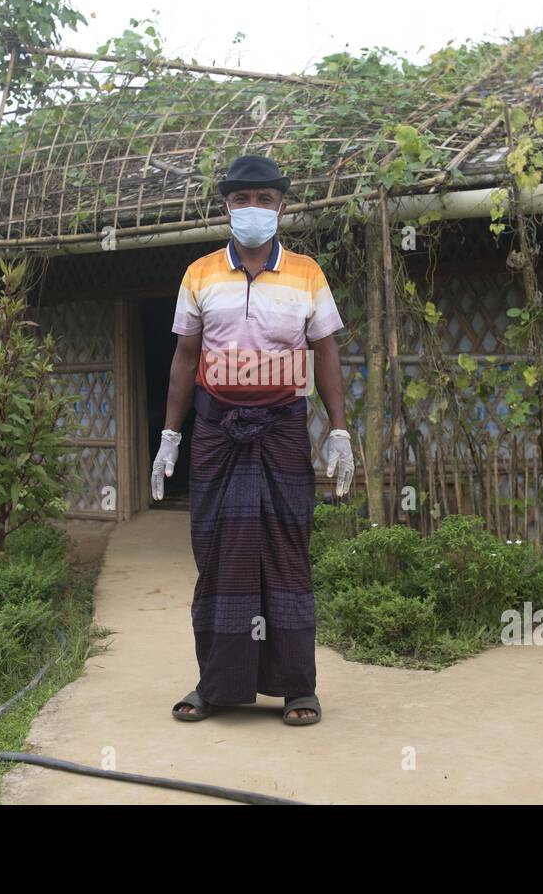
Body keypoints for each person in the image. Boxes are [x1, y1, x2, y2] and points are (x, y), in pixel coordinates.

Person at [153, 154, 355, 726]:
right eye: (243, 200)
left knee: (287, 550)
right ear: (227, 209)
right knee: (219, 554)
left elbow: (326, 351)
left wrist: (339, 429)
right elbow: (185, 357)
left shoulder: (308, 274)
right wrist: (171, 433)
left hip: (284, 428)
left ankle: (298, 688)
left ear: (281, 207)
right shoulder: (198, 274)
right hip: (217, 429)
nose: (254, 210)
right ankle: (215, 686)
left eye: (265, 200)